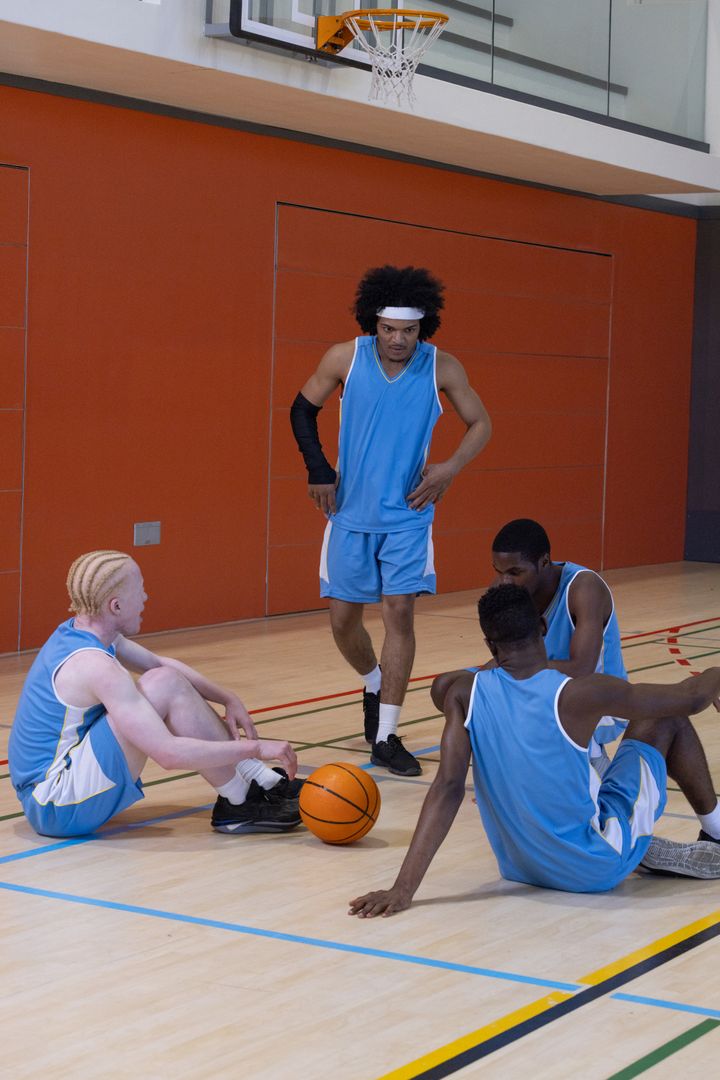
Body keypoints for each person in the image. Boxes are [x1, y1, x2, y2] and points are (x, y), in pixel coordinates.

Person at [349, 584, 720, 917]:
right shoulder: (580, 693)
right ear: (543, 628)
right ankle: (713, 832)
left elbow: (446, 789)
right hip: (596, 868)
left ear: (490, 645)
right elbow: (691, 699)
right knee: (667, 718)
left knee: (593, 778)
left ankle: (637, 844)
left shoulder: (463, 694)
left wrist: (403, 889)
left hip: (521, 869)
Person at [290, 265, 491, 777]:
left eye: (409, 331)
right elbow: (301, 409)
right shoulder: (344, 358)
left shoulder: (442, 368)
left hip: (408, 516)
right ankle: (374, 680)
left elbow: (481, 423)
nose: (398, 339)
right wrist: (318, 468)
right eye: (388, 329)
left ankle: (386, 734)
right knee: (342, 622)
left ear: (423, 328)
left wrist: (449, 467)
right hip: (349, 513)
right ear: (372, 323)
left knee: (399, 612)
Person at [9, 550, 303, 838]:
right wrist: (256, 748)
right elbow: (168, 753)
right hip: (56, 806)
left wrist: (228, 697)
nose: (146, 598)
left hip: (50, 792)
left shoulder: (83, 631)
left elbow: (161, 664)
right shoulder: (95, 666)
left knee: (165, 679)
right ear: (116, 606)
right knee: (162, 685)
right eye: (140, 590)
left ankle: (259, 781)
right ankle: (239, 803)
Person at [431, 518, 627, 773]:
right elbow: (505, 656)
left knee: (556, 700)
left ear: (544, 562)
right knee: (446, 687)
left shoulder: (584, 588)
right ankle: (504, 765)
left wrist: (512, 669)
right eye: (498, 571)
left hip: (596, 697)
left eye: (514, 572)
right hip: (535, 683)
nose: (504, 582)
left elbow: (582, 668)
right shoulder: (504, 591)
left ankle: (592, 761)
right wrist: (496, 674)